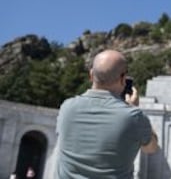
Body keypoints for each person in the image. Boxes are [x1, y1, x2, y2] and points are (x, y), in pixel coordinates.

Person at [56, 49, 158, 178]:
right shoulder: (133, 116)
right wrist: (133, 108)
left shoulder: (66, 107)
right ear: (123, 79)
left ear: (91, 75)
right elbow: (151, 148)